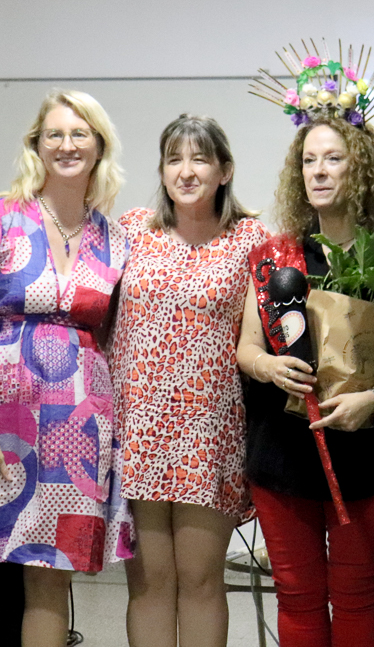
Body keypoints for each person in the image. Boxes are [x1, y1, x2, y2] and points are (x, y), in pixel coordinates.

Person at [0, 89, 133, 647]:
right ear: (36, 145)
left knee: (49, 585)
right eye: (54, 134)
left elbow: (107, 339)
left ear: (99, 146)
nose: (67, 145)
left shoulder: (113, 239)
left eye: (79, 134)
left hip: (76, 432)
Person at [236, 111, 374, 647]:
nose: (318, 171)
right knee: (297, 595)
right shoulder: (275, 257)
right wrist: (270, 366)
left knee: (359, 593)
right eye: (309, 160)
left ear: (359, 169)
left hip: (366, 448)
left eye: (333, 159)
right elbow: (247, 348)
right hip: (282, 450)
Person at [110, 114, 267, 647]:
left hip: (209, 433)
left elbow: (262, 338)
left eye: (200, 158)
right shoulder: (134, 230)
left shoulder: (250, 238)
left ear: (225, 170)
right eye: (174, 159)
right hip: (138, 431)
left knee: (200, 580)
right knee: (149, 582)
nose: (186, 171)